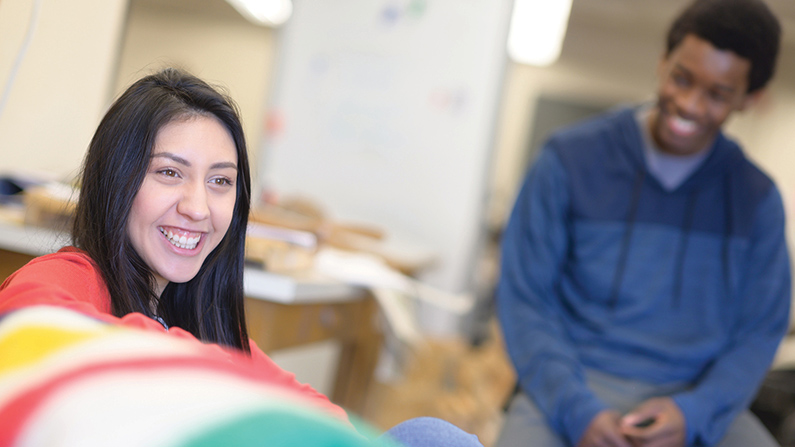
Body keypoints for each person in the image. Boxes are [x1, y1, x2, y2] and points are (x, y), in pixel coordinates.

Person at [0, 68, 483, 447]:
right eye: (170, 173)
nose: (197, 207)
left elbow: (311, 408)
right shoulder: (67, 278)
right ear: (115, 180)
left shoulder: (190, 316)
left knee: (435, 438)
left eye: (220, 181)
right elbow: (31, 329)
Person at [495, 1, 790, 447]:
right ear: (662, 62)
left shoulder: (758, 200)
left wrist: (694, 413)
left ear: (750, 100)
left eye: (717, 94)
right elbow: (524, 300)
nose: (688, 105)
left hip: (693, 399)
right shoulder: (568, 160)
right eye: (681, 78)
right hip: (571, 388)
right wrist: (575, 409)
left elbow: (759, 333)